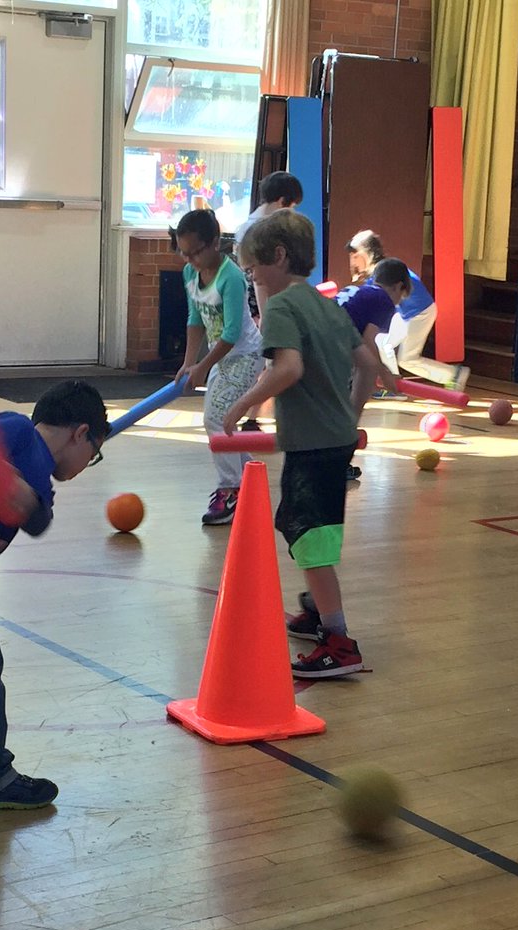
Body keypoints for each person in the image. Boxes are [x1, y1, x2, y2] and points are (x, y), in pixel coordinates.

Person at [0, 380, 110, 810]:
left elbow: (38, 518)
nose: (89, 463)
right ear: (80, 433)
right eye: (95, 452)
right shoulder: (15, 430)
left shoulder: (38, 478)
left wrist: (28, 502)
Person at [222, 210, 379, 679]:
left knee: (312, 541)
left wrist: (240, 409)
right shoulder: (327, 304)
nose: (249, 279)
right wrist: (349, 417)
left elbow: (287, 370)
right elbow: (368, 365)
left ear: (278, 257)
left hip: (313, 446)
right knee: (298, 524)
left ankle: (339, 641)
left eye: (251, 270)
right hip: (333, 441)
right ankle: (316, 611)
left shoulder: (284, 308)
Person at [172, 207, 264, 527]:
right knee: (221, 420)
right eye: (184, 254)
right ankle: (250, 480)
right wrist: (188, 363)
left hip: (247, 355)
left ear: (214, 243)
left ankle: (230, 489)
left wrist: (202, 366)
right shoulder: (190, 274)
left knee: (217, 418)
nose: (190, 260)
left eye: (195, 252)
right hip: (221, 357)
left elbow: (231, 333)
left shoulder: (232, 276)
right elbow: (195, 319)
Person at [346, 229, 470, 392]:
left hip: (419, 312)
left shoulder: (382, 273)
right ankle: (392, 384)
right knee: (384, 343)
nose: (353, 262)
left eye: (355, 256)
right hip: (407, 313)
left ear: (366, 254)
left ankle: (452, 375)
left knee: (407, 359)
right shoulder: (382, 269)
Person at [233, 172, 303, 431]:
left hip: (252, 306)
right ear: (283, 200)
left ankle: (251, 416)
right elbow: (258, 279)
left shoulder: (249, 224)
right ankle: (250, 415)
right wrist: (267, 316)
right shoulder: (263, 229)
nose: (293, 212)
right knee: (269, 363)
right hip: (259, 307)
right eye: (293, 206)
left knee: (267, 363)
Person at [335, 258, 413, 480]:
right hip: (335, 349)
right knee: (352, 407)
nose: (398, 301)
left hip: (323, 344)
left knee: (341, 405)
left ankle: (336, 458)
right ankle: (339, 461)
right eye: (401, 295)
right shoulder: (383, 300)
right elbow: (369, 341)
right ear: (398, 286)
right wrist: (385, 374)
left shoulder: (360, 291)